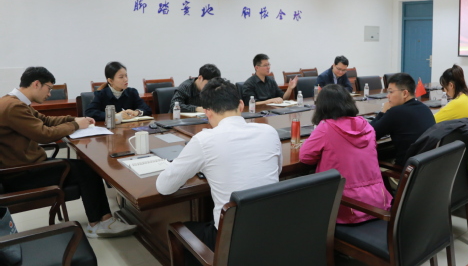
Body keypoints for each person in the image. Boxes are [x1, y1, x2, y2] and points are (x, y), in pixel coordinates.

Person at [0, 67, 137, 238]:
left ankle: (102, 220)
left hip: (27, 165)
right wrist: (75, 125)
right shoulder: (13, 106)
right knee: (87, 169)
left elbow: (45, 120)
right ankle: (101, 223)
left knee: (84, 167)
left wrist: (73, 119)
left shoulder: (15, 102)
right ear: (36, 84)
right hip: (20, 174)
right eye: (49, 88)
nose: (49, 93)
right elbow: (44, 134)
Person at [156, 78, 282, 250]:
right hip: (273, 231)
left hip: (230, 242)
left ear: (207, 112)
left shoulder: (204, 140)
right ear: (241, 105)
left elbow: (164, 187)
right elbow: (277, 171)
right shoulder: (269, 132)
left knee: (180, 229)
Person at [300, 84, 392, 224]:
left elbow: (305, 157)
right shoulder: (367, 125)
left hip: (345, 205)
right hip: (377, 202)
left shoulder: (325, 127)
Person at [369, 73, 435, 166]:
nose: (388, 96)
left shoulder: (395, 112)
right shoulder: (424, 108)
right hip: (425, 166)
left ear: (405, 93)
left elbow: (369, 134)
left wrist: (383, 112)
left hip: (405, 170)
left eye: (391, 92)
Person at [86, 61, 152, 121]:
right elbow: (90, 112)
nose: (126, 79)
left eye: (126, 76)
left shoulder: (132, 92)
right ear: (110, 80)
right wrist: (114, 116)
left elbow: (147, 109)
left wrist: (136, 112)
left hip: (129, 128)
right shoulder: (101, 94)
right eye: (121, 77)